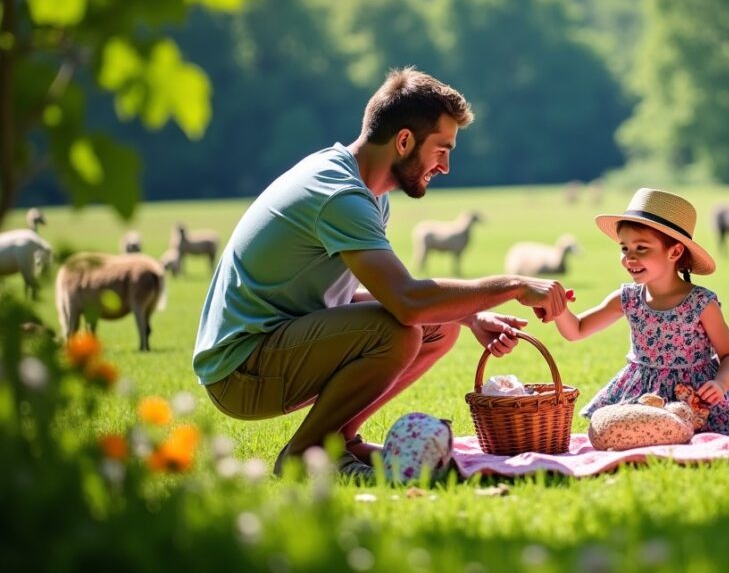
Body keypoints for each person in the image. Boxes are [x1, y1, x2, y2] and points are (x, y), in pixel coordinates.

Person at [193, 67, 569, 480]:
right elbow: (405, 303)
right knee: (401, 330)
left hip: (274, 347)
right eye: (441, 150)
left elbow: (363, 300)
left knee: (438, 326)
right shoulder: (340, 195)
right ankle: (308, 454)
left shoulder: (367, 193)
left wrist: (466, 314)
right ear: (404, 140)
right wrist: (512, 285)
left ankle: (339, 441)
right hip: (240, 371)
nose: (445, 166)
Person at [552, 188, 729, 434]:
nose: (629, 258)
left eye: (641, 248)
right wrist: (558, 309)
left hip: (691, 399)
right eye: (624, 248)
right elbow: (577, 329)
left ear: (674, 252)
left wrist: (720, 383)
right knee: (611, 430)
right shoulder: (627, 298)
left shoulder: (701, 303)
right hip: (641, 394)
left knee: (673, 429)